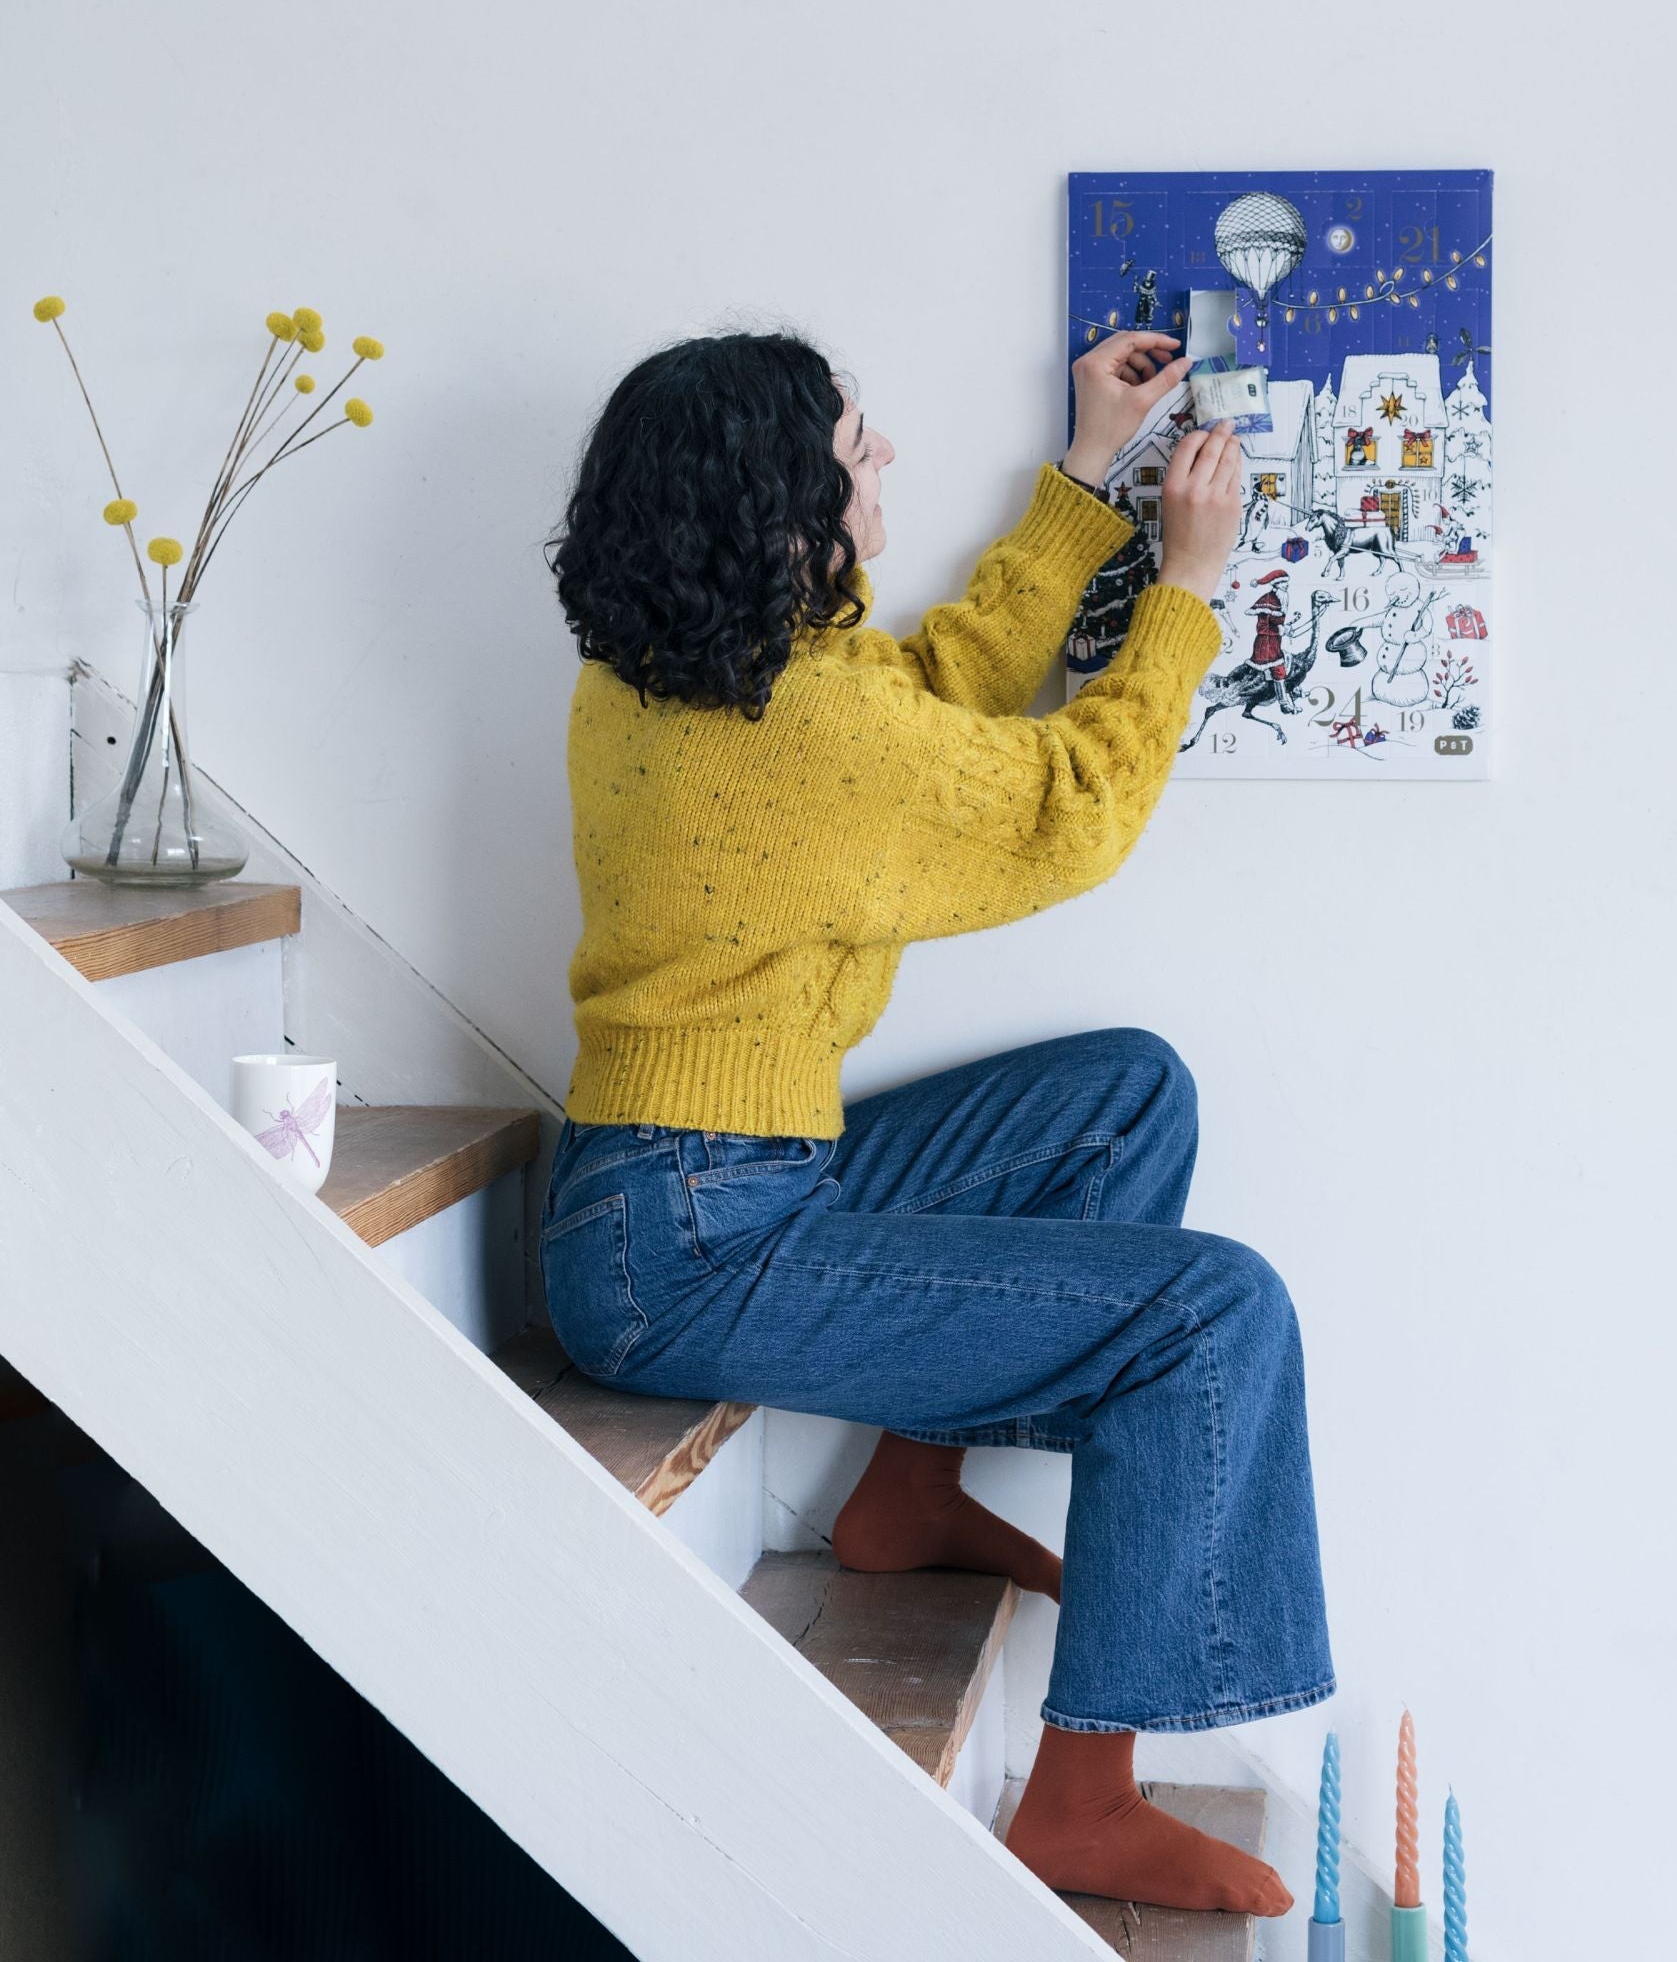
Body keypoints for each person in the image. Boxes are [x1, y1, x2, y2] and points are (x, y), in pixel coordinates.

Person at [541, 326, 1335, 1919]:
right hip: (691, 1249)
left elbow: (931, 693)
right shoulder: (800, 738)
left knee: (1123, 1095)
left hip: (672, 1193)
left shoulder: (672, 673)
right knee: (1213, 1315)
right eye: (857, 446)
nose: (884, 458)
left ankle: (905, 1500)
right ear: (782, 510)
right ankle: (1085, 1797)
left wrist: (1085, 477)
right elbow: (1071, 804)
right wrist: (1184, 582)